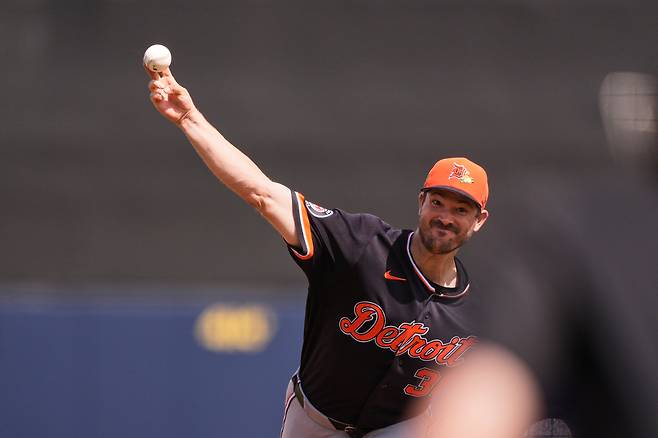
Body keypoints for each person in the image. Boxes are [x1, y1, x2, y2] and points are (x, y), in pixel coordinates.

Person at [144, 66, 490, 438]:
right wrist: (189, 118)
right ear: (421, 203)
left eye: (460, 209)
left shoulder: (482, 308)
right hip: (314, 421)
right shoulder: (361, 245)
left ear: (478, 220)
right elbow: (263, 193)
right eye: (438, 202)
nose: (445, 217)